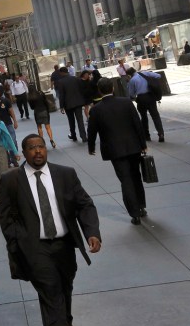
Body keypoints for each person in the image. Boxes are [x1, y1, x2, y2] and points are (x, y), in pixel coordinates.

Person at [0, 134, 102, 326]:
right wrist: (19, 243)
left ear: (46, 150)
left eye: (41, 147)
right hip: (35, 249)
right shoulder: (11, 180)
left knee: (65, 288)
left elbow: (85, 204)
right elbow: (6, 217)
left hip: (64, 245)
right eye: (32, 148)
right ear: (23, 153)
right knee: (50, 293)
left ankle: (66, 320)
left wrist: (91, 233)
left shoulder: (65, 174)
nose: (37, 151)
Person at [87, 78, 150, 225]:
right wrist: (143, 144)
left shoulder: (96, 110)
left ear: (99, 90)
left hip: (115, 150)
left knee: (125, 180)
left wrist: (91, 147)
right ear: (113, 89)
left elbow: (92, 131)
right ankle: (141, 207)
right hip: (133, 146)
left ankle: (134, 214)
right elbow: (137, 123)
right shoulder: (126, 102)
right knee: (136, 177)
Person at [126, 67, 164, 142]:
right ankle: (161, 134)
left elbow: (132, 95)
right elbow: (158, 76)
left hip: (141, 98)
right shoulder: (145, 73)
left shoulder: (132, 81)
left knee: (143, 117)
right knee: (155, 116)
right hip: (151, 96)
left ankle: (147, 136)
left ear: (129, 75)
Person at [56, 67, 87, 142]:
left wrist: (61, 106)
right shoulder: (76, 79)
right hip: (78, 102)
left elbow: (61, 95)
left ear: (62, 73)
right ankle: (83, 137)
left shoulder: (60, 82)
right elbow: (81, 89)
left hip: (68, 104)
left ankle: (73, 135)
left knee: (71, 120)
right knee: (80, 120)